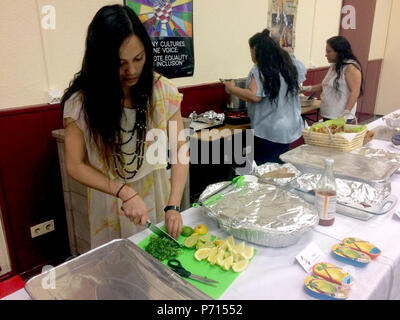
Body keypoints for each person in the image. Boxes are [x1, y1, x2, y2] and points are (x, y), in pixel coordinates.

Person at [61, 4, 188, 248]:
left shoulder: (163, 92)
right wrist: (124, 191)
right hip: (109, 197)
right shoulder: (81, 103)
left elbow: (180, 151)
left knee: (157, 267)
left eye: (138, 59)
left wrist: (173, 205)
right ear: (101, 61)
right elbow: (74, 165)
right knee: (116, 274)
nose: (132, 70)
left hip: (157, 193)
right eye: (120, 63)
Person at [224, 29, 303, 165]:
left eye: (250, 51)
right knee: (280, 167)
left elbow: (254, 96)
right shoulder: (290, 65)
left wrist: (232, 89)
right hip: (289, 128)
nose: (251, 55)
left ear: (255, 49)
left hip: (269, 130)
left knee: (265, 170)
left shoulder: (260, 70)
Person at [302, 36, 364, 123]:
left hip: (340, 117)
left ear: (339, 52)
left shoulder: (351, 67)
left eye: (329, 51)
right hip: (328, 114)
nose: (326, 55)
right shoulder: (334, 65)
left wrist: (346, 113)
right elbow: (325, 85)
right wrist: (305, 88)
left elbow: (355, 92)